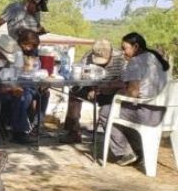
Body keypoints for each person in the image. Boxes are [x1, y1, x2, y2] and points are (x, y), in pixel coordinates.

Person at [100, 32, 170, 166]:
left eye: (124, 48)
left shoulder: (136, 61)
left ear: (136, 46)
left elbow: (133, 93)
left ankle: (125, 152)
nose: (122, 52)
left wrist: (116, 94)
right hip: (164, 112)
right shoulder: (155, 58)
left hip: (147, 113)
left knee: (106, 111)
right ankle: (138, 149)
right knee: (122, 110)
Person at [59, 39, 125, 144]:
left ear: (111, 53)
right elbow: (80, 74)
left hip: (112, 93)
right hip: (93, 88)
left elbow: (123, 82)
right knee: (74, 92)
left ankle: (114, 139)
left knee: (109, 106)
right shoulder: (88, 56)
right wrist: (90, 88)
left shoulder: (121, 59)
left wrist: (101, 89)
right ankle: (73, 132)